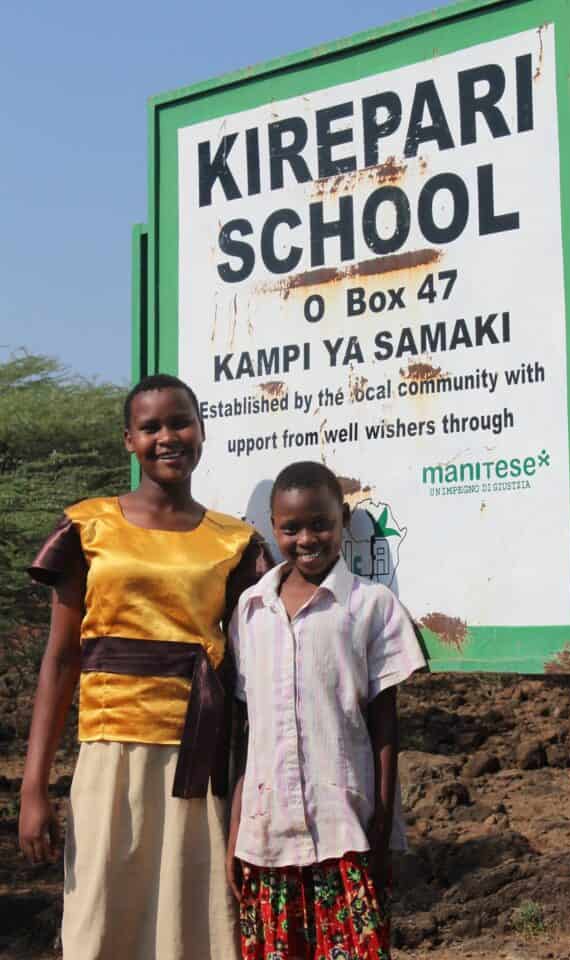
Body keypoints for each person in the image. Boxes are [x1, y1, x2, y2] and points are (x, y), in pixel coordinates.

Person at [19, 373, 270, 960]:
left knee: (191, 923)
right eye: (151, 427)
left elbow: (253, 678)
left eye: (180, 422)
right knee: (101, 918)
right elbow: (59, 661)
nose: (167, 437)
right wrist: (34, 787)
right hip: (109, 753)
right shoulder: (89, 526)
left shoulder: (233, 543)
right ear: (128, 439)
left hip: (198, 755)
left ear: (202, 432)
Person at [226, 460, 426, 960]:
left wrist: (382, 823)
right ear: (273, 529)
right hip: (267, 832)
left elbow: (384, 723)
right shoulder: (251, 611)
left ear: (343, 524)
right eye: (291, 528)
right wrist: (236, 831)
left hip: (346, 828)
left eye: (321, 524)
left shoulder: (370, 605)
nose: (306, 538)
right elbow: (247, 734)